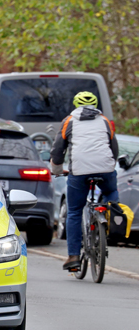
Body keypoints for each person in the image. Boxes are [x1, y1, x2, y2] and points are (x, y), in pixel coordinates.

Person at [50, 91, 120, 271]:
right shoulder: (104, 121)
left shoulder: (69, 121)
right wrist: (109, 166)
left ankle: (73, 257)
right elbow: (114, 148)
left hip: (79, 172)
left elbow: (58, 151)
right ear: (95, 105)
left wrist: (57, 170)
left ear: (75, 104)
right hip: (106, 169)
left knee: (74, 211)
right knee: (111, 192)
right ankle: (110, 215)